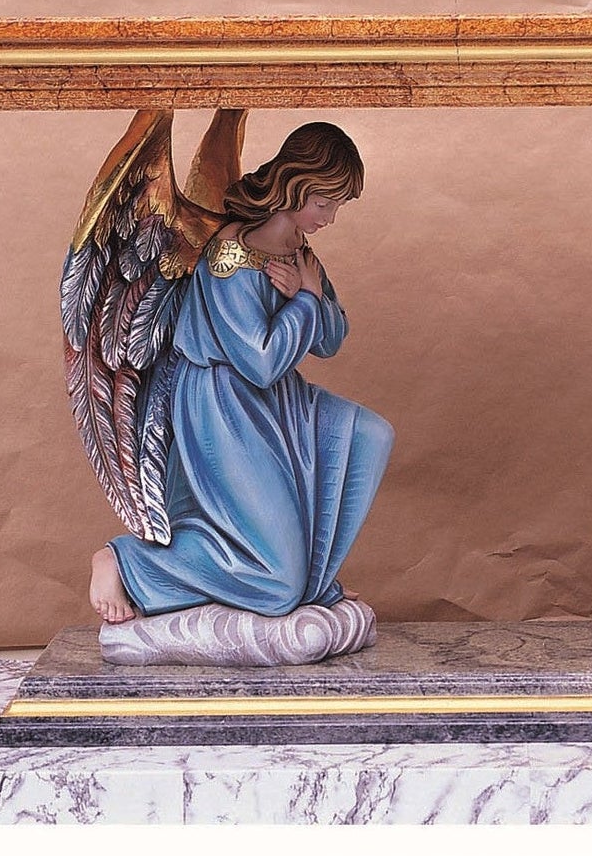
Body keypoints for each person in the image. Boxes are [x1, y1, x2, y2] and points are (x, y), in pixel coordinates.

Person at [88, 123, 393, 625]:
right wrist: (305, 301)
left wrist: (309, 298)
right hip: (224, 407)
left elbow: (331, 339)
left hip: (276, 402)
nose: (330, 218)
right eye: (324, 203)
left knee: (370, 436)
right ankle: (127, 562)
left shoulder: (296, 247)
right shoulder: (230, 258)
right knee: (273, 581)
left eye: (337, 206)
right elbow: (261, 361)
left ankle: (310, 581)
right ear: (295, 186)